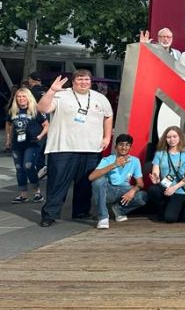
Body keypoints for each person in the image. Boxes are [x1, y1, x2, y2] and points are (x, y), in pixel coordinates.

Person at [38, 71, 113, 227]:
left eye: (87, 79)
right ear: (73, 81)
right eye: (80, 79)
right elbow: (42, 108)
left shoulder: (100, 97)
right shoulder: (61, 94)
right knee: (57, 183)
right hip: (62, 148)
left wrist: (107, 137)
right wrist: (52, 91)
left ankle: (81, 211)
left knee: (85, 183)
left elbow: (108, 116)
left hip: (91, 148)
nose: (83, 82)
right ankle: (50, 214)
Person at [87, 133, 146, 228]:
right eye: (121, 144)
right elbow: (91, 177)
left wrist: (132, 191)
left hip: (124, 191)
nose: (124, 147)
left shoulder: (135, 161)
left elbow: (140, 183)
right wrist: (114, 165)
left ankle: (119, 210)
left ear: (131, 148)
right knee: (98, 181)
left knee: (143, 196)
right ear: (115, 147)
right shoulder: (108, 159)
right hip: (109, 191)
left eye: (127, 145)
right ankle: (103, 217)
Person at [5, 87, 47, 203]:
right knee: (19, 168)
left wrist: (40, 136)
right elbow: (8, 124)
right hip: (17, 144)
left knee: (28, 166)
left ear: (28, 98)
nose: (21, 99)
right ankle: (23, 194)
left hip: (32, 143)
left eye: (24, 96)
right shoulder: (13, 111)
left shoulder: (35, 110)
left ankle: (37, 191)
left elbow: (47, 125)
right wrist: (8, 139)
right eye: (19, 96)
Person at [146, 126, 185, 223]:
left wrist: (174, 188)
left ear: (180, 137)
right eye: (169, 137)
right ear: (165, 139)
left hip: (179, 188)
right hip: (164, 187)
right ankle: (163, 208)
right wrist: (156, 179)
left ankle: (175, 209)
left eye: (174, 136)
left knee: (170, 218)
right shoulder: (160, 153)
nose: (172, 140)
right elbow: (156, 171)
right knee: (152, 190)